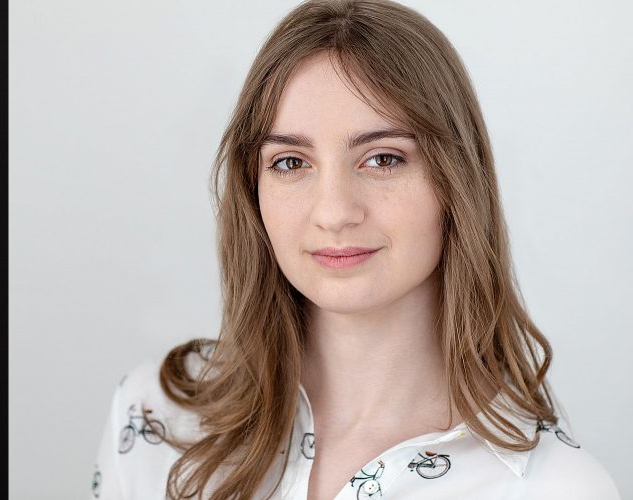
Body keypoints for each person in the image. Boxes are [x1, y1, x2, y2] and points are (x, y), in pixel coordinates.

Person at [91, 1, 620, 499]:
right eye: (291, 163)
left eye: (383, 159)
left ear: (456, 181)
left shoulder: (556, 487)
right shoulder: (154, 420)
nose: (334, 211)